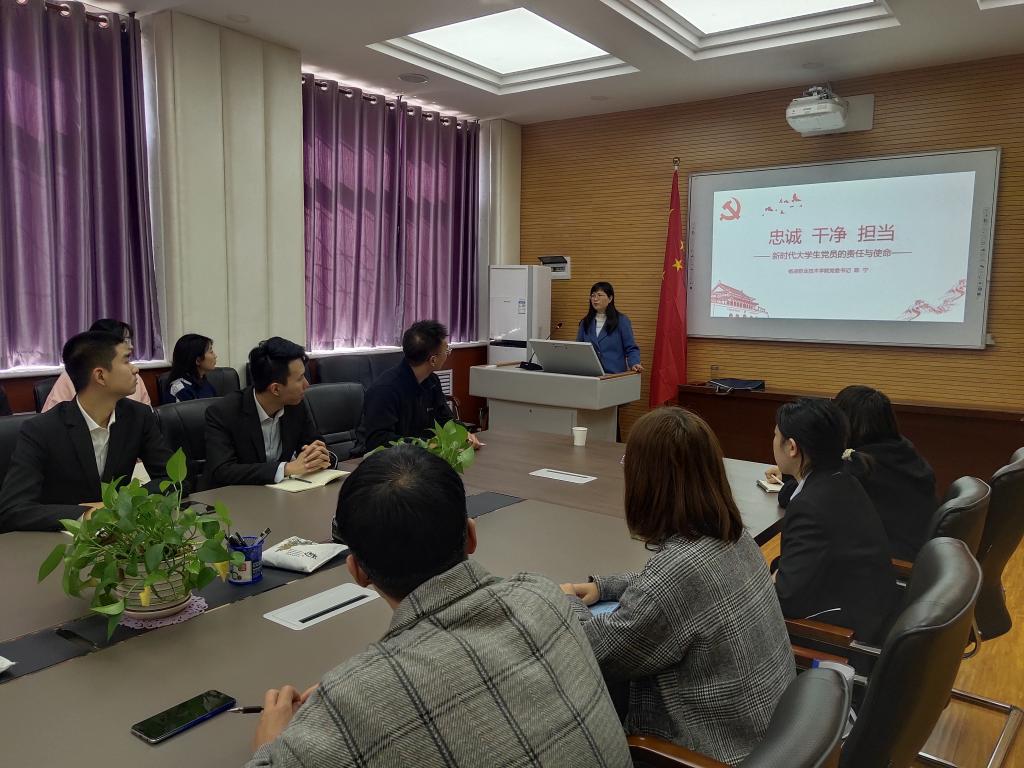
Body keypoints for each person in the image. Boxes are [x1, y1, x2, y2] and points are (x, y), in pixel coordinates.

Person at [246, 444, 631, 768]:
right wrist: (356, 692)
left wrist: (271, 743)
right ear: (472, 536)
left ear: (357, 572)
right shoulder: (545, 597)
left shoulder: (354, 701)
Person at [560, 407, 793, 766]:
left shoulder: (676, 574)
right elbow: (676, 591)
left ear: (648, 482)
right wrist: (605, 587)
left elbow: (596, 651)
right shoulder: (734, 537)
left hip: (711, 755)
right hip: (769, 736)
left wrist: (566, 602)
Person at [0, 331, 175, 533]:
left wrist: (123, 504)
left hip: (122, 536)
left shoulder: (139, 416)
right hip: (60, 541)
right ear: (100, 375)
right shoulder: (41, 429)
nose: (135, 369)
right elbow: (13, 510)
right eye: (126, 360)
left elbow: (174, 479)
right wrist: (87, 514)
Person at [772, 398, 900, 644]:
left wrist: (775, 578)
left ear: (792, 447)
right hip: (872, 612)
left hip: (843, 637)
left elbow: (785, 600)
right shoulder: (845, 480)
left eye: (775, 435)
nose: (773, 441)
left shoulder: (809, 506)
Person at [205, 337, 333, 487]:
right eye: (300, 379)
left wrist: (321, 456)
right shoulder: (223, 413)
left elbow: (315, 444)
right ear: (275, 389)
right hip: (237, 497)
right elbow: (223, 471)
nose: (307, 384)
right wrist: (285, 469)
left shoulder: (296, 405)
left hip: (284, 493)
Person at [833, 385, 938, 561]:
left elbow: (809, 495)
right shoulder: (901, 449)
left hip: (895, 563)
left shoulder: (863, 466)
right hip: (918, 553)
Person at [354, 320, 481, 454]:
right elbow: (379, 441)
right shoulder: (385, 390)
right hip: (380, 460)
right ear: (433, 360)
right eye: (447, 351)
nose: (448, 354)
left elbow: (445, 420)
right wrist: (426, 445)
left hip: (419, 457)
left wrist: (463, 433)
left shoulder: (432, 381)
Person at [42, 318, 152, 411]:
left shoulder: (134, 377)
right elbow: (51, 421)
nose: (131, 346)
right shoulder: (73, 376)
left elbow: (147, 414)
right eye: (125, 341)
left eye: (130, 340)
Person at [576, 281, 642, 374]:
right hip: (590, 374)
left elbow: (631, 348)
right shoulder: (585, 322)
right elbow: (579, 348)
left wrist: (634, 363)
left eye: (599, 295)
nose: (595, 299)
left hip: (614, 375)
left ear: (610, 298)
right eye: (593, 295)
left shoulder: (621, 321)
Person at [167, 333, 218, 402]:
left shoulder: (202, 380)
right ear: (198, 360)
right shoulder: (180, 389)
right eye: (211, 352)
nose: (215, 356)